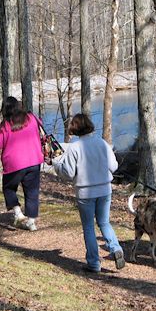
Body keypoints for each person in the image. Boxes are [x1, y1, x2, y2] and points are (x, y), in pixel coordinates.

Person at [51, 113, 125, 273]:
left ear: (75, 128)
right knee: (104, 222)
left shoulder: (75, 147)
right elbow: (114, 166)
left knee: (89, 227)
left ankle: (93, 263)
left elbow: (69, 173)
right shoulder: (102, 143)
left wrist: (56, 165)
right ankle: (115, 248)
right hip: (105, 189)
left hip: (85, 193)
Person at [0, 96, 43, 231]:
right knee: (32, 191)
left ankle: (18, 214)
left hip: (14, 164)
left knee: (9, 188)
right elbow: (40, 130)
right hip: (34, 160)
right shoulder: (31, 118)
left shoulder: (2, 127)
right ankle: (31, 221)